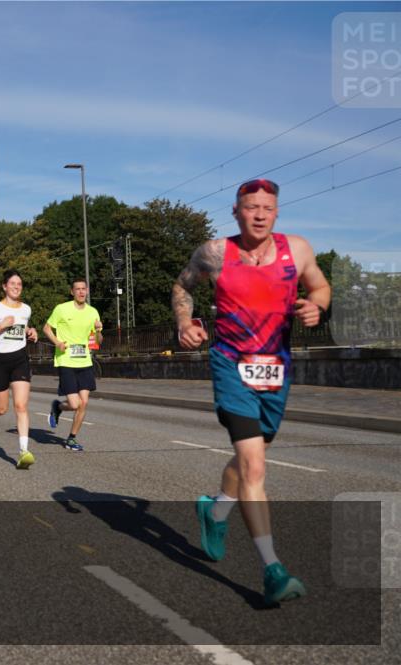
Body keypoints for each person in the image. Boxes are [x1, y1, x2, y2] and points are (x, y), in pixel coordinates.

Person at [173, 178, 330, 606]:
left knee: (250, 457)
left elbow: (319, 286)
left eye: (267, 208)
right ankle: (272, 569)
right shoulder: (214, 253)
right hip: (231, 365)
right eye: (250, 207)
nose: (259, 215)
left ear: (276, 212)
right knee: (255, 465)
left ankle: (215, 510)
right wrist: (185, 324)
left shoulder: (297, 249)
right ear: (236, 211)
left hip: (276, 371)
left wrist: (317, 305)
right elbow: (183, 286)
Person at [0, 270, 39, 469]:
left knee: (21, 406)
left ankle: (23, 451)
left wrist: (31, 331)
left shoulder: (26, 309)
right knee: (2, 409)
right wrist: (1, 325)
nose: (16, 287)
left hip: (20, 360)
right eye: (12, 283)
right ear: (4, 286)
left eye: (19, 284)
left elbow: (22, 328)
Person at [44, 279, 103, 452]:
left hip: (85, 361)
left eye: (84, 288)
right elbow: (46, 328)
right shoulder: (61, 309)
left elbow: (98, 342)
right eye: (77, 289)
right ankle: (58, 407)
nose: (81, 292)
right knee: (75, 404)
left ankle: (71, 438)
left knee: (84, 403)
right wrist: (57, 343)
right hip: (66, 361)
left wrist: (98, 330)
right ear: (72, 292)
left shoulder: (93, 312)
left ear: (87, 291)